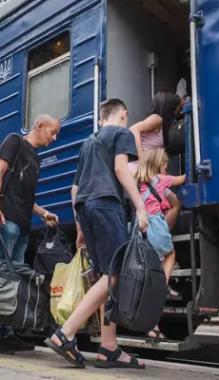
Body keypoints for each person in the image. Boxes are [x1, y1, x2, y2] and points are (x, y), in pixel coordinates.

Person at [45, 98, 148, 369]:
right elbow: (120, 170)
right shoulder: (122, 133)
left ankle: (108, 347)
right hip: (106, 205)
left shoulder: (89, 142)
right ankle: (64, 334)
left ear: (102, 117)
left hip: (86, 209)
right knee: (115, 273)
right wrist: (141, 207)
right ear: (123, 115)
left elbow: (74, 190)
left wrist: (79, 227)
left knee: (108, 278)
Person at [0, 114, 61, 355]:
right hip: (6, 221)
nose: (54, 138)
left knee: (13, 282)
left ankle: (6, 333)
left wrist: (42, 213)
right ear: (39, 125)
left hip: (22, 226)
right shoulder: (14, 141)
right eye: (53, 132)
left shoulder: (35, 157)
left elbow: (25, 196)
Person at [134, 148, 185, 340]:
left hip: (142, 229)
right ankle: (163, 284)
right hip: (157, 224)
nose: (166, 167)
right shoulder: (163, 180)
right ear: (158, 165)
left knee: (149, 274)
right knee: (170, 255)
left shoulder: (137, 181)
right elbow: (183, 178)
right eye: (164, 164)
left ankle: (151, 326)